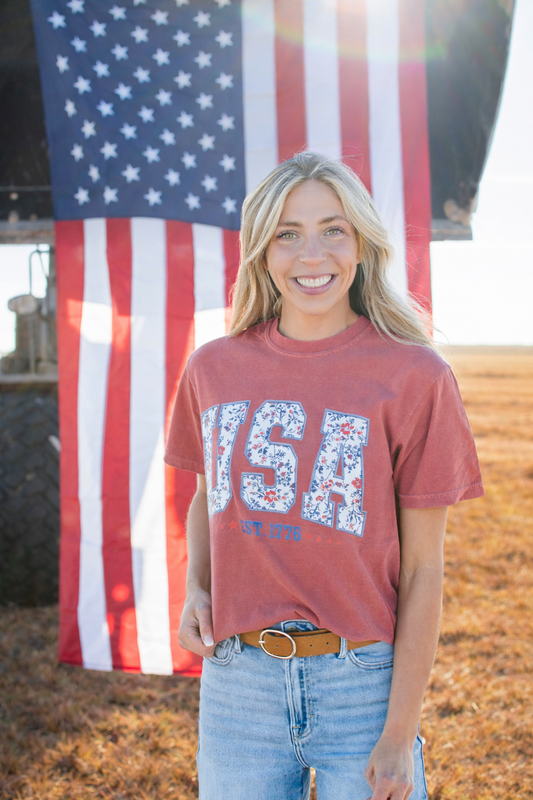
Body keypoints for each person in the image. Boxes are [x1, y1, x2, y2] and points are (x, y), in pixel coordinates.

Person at [164, 152, 484, 800]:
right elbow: (208, 496)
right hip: (238, 687)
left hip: (361, 686)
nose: (312, 254)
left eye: (332, 229)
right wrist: (197, 588)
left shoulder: (415, 376)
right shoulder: (212, 368)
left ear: (361, 243)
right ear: (261, 249)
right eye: (288, 233)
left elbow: (425, 570)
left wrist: (399, 732)